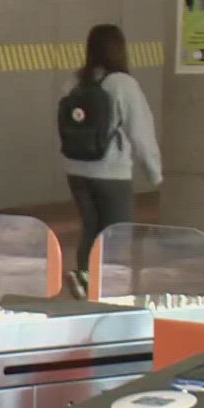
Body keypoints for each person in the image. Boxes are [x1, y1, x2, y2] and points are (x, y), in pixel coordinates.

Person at [59, 23, 163, 298]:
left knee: (91, 229)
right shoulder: (123, 84)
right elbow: (140, 132)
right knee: (117, 235)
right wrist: (156, 175)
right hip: (111, 173)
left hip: (76, 170)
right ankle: (110, 294)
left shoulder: (74, 82)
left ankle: (85, 285)